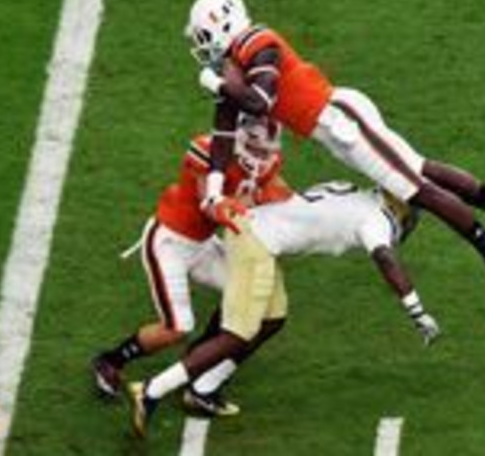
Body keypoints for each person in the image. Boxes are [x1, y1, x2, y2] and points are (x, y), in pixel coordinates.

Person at [181, 0, 485, 319]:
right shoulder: (234, 68)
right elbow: (224, 132)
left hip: (342, 120)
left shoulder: (256, 44)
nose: (202, 48)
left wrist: (216, 82)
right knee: (421, 171)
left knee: (414, 188)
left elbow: (259, 101)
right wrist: (214, 190)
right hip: (334, 127)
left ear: (221, 24)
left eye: (202, 36)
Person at [128, 180, 445, 436]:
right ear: (400, 204)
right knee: (239, 334)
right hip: (255, 241)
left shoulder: (351, 189)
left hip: (255, 232)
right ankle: (152, 390)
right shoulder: (375, 220)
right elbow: (386, 259)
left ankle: (203, 388)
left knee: (273, 318)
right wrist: (416, 311)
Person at [91, 114, 290, 399]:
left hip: (202, 244)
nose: (262, 158)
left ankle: (202, 355)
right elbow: (210, 204)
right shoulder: (207, 151)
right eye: (257, 149)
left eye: (267, 150)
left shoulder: (263, 162)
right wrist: (253, 202)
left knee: (242, 294)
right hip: (169, 241)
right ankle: (111, 360)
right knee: (177, 327)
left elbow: (279, 192)